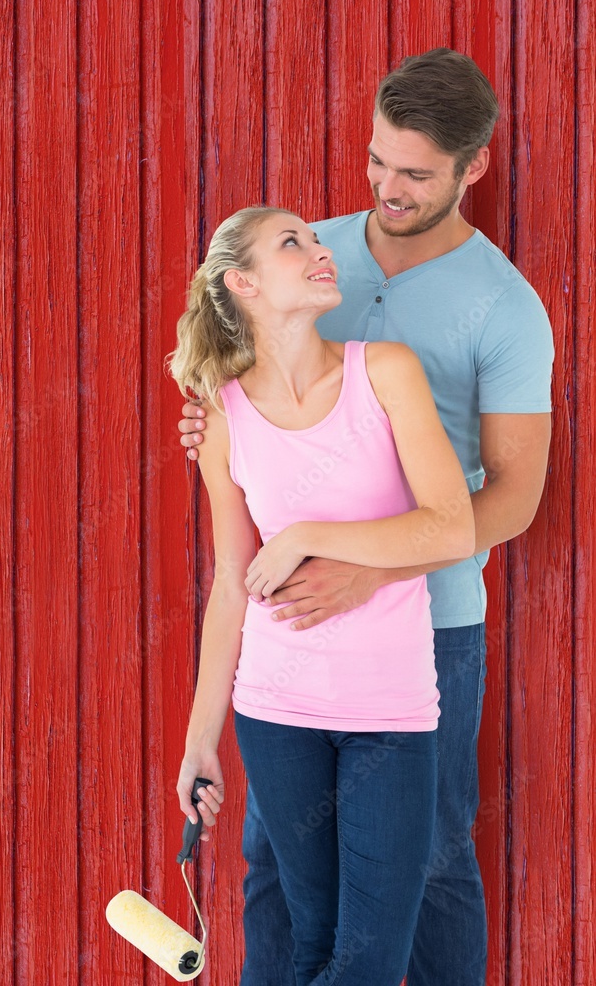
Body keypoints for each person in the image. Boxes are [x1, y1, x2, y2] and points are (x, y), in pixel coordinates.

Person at [178, 50, 554, 986]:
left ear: (473, 169)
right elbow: (243, 388)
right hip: (293, 643)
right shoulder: (312, 256)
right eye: (376, 161)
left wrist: (373, 566)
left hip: (429, 628)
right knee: (276, 860)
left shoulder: (502, 308)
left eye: (415, 173)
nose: (386, 188)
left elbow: (512, 494)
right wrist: (212, 420)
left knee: (425, 864)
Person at [171, 204, 475, 985]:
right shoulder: (222, 414)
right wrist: (201, 738)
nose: (319, 251)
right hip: (273, 713)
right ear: (243, 283)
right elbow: (231, 588)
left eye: (313, 237)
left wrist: (308, 534)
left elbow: (448, 529)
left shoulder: (384, 372)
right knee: (310, 944)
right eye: (292, 242)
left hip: (389, 715)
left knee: (367, 961)